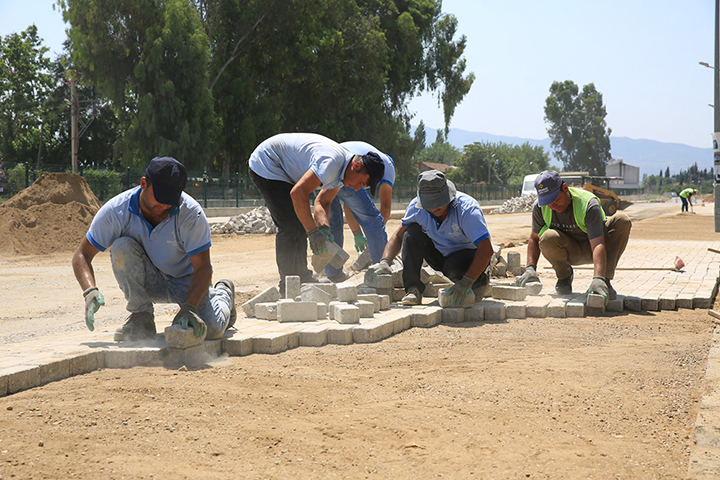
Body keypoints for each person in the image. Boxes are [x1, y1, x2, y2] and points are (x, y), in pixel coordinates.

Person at [72, 157, 236, 342]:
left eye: (170, 200)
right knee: (121, 247)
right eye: (160, 197)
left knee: (212, 330)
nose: (165, 205)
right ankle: (142, 317)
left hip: (187, 283)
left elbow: (204, 268)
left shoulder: (190, 214)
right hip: (149, 281)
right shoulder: (117, 211)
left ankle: (224, 293)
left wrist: (190, 308)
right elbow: (82, 254)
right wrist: (89, 290)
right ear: (143, 183)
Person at [248, 132, 385, 293]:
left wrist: (323, 229)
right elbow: (298, 193)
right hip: (267, 162)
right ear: (355, 166)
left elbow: (322, 202)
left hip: (283, 169)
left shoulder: (342, 174)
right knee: (291, 225)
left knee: (299, 222)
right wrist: (313, 232)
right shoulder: (331, 164)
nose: (358, 188)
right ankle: (289, 284)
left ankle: (300, 278)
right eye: (361, 182)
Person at [369, 170, 493, 306]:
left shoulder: (467, 209)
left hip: (469, 257)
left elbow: (486, 249)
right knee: (411, 232)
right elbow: (398, 236)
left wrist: (466, 282)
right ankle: (413, 289)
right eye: (430, 204)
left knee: (452, 266)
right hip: (441, 256)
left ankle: (479, 280)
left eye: (439, 203)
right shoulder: (416, 208)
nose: (434, 208)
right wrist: (385, 261)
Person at [515, 170, 632, 303]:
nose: (552, 206)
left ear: (565, 188)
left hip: (595, 249)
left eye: (554, 200)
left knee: (622, 220)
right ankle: (564, 277)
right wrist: (530, 268)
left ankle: (604, 281)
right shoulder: (540, 207)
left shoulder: (588, 203)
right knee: (547, 237)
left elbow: (598, 243)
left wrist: (598, 278)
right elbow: (534, 238)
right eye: (547, 202)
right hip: (570, 251)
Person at [322, 140, 396, 282]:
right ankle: (381, 275)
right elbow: (385, 207)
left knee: (334, 223)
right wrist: (375, 234)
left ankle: (333, 274)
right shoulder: (387, 168)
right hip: (345, 170)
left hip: (323, 170)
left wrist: (358, 235)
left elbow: (349, 205)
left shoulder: (363, 157)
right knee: (374, 221)